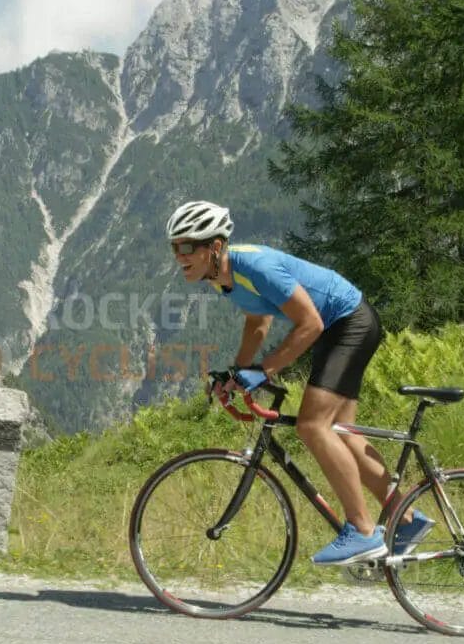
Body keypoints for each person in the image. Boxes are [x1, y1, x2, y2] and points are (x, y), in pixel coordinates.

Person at [166, 200, 434, 565]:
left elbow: (310, 324)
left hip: (347, 323)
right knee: (342, 433)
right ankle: (406, 519)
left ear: (214, 247)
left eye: (186, 247)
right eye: (174, 246)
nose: (178, 256)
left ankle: (362, 531)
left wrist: (264, 370)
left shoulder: (254, 265)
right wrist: (236, 374)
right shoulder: (219, 278)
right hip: (339, 328)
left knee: (312, 426)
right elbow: (257, 323)